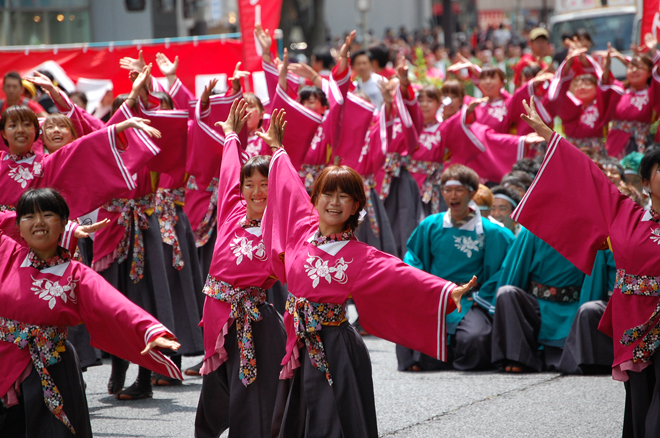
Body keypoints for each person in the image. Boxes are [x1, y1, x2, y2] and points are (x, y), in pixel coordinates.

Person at [261, 109, 477, 437]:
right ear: (315, 199)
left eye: (344, 196)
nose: (334, 202)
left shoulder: (360, 257)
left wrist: (447, 292)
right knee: (297, 421)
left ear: (356, 206)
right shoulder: (302, 230)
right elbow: (290, 189)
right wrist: (278, 149)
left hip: (336, 349)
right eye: (327, 194)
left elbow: (403, 276)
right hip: (299, 345)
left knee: (335, 425)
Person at [515, 96, 660, 436]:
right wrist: (553, 138)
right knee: (639, 400)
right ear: (645, 181)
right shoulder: (624, 212)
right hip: (634, 322)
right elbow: (586, 177)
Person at [0, 188, 182, 437]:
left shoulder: (76, 274)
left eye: (48, 215)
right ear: (18, 226)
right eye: (29, 216)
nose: (39, 223)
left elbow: (115, 305)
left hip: (52, 366)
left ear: (64, 222)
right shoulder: (7, 254)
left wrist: (148, 331)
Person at [194, 99, 286, 437]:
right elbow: (230, 171)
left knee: (253, 391)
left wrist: (277, 149)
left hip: (254, 317)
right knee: (214, 388)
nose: (257, 191)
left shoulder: (280, 225)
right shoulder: (231, 212)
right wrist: (231, 135)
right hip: (217, 313)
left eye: (265, 184)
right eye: (251, 185)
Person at [397, 165, 514, 371]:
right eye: (447, 190)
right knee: (413, 337)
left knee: (476, 339)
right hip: (436, 295)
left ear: (472, 192)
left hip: (472, 299)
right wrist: (422, 288)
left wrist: (483, 298)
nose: (453, 195)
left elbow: (504, 268)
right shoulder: (431, 225)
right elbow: (413, 259)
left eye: (459, 190)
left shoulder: (492, 232)